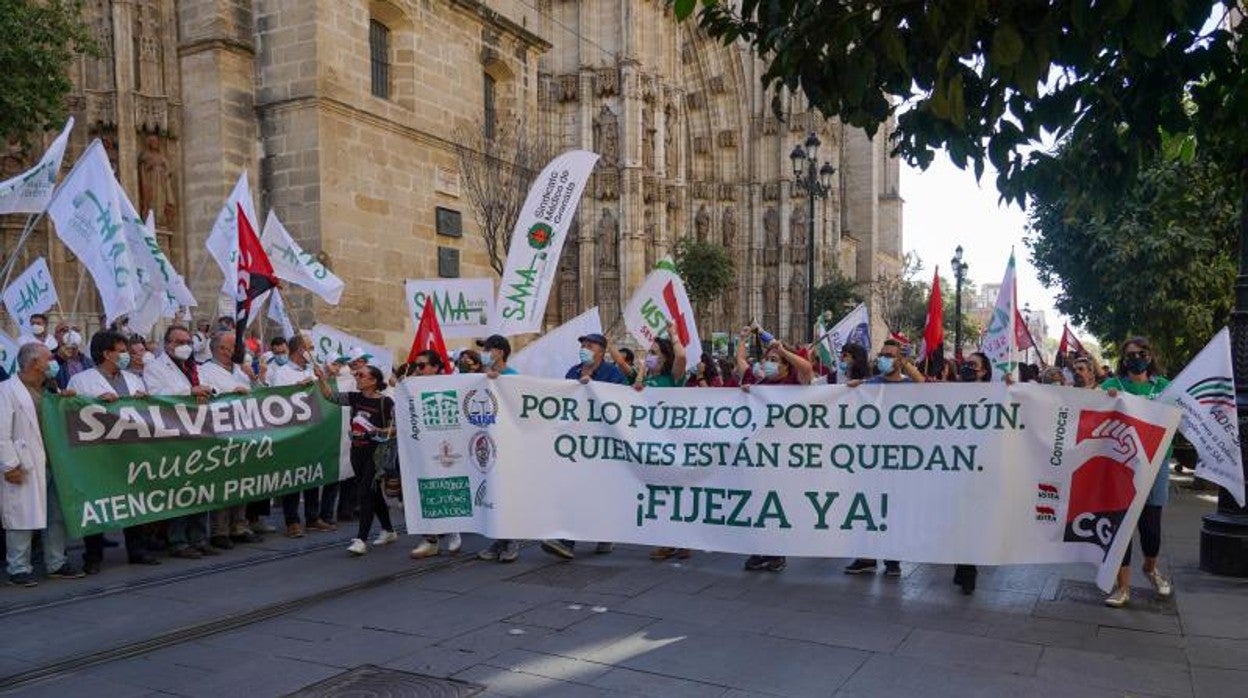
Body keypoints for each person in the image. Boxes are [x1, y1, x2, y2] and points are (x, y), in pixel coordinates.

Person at [69, 330, 156, 572]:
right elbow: (72, 413)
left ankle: (137, 549)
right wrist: (96, 403)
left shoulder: (133, 379)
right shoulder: (82, 381)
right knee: (98, 500)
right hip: (98, 453)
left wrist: (145, 400)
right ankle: (93, 555)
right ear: (107, 354)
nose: (126, 355)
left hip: (130, 449)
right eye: (121, 351)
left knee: (135, 498)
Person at [2, 342, 85, 586]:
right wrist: (9, 465)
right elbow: (1, 432)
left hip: (54, 463)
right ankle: (18, 567)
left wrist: (66, 400)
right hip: (24, 463)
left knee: (56, 516)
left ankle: (56, 562)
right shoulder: (7, 390)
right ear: (34, 363)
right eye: (48, 359)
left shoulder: (51, 388)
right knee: (20, 515)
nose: (52, 364)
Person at [541, 333, 629, 560]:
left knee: (600, 490)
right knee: (574, 487)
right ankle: (566, 541)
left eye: (589, 345)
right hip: (576, 442)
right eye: (582, 344)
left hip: (602, 441)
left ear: (601, 350)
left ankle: (604, 532)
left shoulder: (612, 374)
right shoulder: (573, 372)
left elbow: (620, 401)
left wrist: (594, 388)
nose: (584, 348)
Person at [843, 338, 926, 577]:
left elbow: (929, 389)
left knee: (894, 509)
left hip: (898, 459)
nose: (884, 358)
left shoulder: (911, 384)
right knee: (867, 507)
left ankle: (892, 560)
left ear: (901, 359)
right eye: (882, 354)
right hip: (871, 458)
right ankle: (867, 557)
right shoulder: (871, 383)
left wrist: (909, 365)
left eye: (890, 355)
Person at [1100, 337, 1173, 608]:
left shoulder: (1165, 387)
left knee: (1151, 527)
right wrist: (1103, 399)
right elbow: (1085, 404)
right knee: (1122, 526)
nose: (1136, 358)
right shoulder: (1112, 386)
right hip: (1122, 465)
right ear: (1123, 359)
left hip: (1156, 464)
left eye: (1141, 353)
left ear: (1150, 356)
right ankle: (1123, 587)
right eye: (1130, 354)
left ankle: (1151, 568)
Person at [737, 326, 814, 572]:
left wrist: (783, 350)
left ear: (785, 366)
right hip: (760, 457)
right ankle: (762, 549)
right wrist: (742, 339)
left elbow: (807, 369)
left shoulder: (794, 382)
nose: (768, 364)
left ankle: (776, 552)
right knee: (759, 502)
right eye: (766, 360)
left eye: (774, 361)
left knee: (777, 503)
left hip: (786, 456)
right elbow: (740, 361)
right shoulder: (758, 383)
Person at [143, 325, 218, 560]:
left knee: (202, 487)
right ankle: (178, 540)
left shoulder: (194, 366)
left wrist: (208, 390)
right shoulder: (154, 368)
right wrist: (190, 390)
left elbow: (208, 388)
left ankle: (199, 537)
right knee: (181, 488)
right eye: (179, 341)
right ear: (167, 344)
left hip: (199, 431)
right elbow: (157, 394)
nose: (185, 345)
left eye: (187, 341)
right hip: (174, 434)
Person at [315, 363, 399, 556]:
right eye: (357, 374)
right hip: (357, 451)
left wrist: (375, 431)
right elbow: (331, 396)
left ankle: (361, 539)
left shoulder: (386, 403)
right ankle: (388, 530)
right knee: (373, 492)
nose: (357, 377)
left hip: (376, 453)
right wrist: (321, 378)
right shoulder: (355, 397)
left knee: (365, 493)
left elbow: (396, 428)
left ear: (373, 381)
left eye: (361, 375)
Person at [636, 330, 694, 562]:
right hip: (650, 444)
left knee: (675, 492)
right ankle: (671, 540)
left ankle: (678, 541)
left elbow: (681, 358)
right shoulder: (647, 378)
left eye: (653, 353)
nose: (649, 356)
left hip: (672, 443)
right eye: (649, 352)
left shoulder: (673, 378)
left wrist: (674, 335)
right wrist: (640, 374)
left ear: (664, 357)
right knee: (660, 493)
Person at [273, 335, 338, 538]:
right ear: (300, 350)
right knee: (292, 476)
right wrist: (298, 387)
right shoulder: (282, 373)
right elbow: (275, 400)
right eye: (310, 347)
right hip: (291, 431)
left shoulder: (312, 370)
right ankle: (292, 520)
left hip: (313, 429)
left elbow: (327, 396)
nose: (313, 351)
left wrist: (322, 378)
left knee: (311, 473)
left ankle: (312, 517)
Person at [197, 331, 257, 549]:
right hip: (219, 436)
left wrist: (252, 377)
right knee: (222, 483)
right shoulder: (204, 371)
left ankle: (239, 525)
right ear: (223, 349)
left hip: (244, 434)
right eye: (235, 347)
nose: (240, 351)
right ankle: (219, 530)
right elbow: (206, 396)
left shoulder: (240, 371)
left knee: (242, 481)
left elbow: (262, 395)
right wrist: (231, 392)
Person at [407, 350, 465, 558]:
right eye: (416, 366)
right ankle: (430, 538)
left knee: (448, 486)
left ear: (435, 367)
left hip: (446, 444)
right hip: (421, 446)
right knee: (423, 489)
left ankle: (453, 529)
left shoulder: (452, 385)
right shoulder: (411, 386)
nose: (417, 370)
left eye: (421, 366)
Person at [476, 335, 523, 563]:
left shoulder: (512, 377)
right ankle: (499, 539)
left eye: (488, 349)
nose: (484, 352)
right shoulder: (481, 378)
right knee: (493, 492)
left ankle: (511, 539)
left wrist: (499, 382)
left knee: (507, 491)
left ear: (501, 352)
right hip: (487, 444)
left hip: (508, 444)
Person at [949, 351, 992, 593]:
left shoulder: (995, 394)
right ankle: (962, 566)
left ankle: (968, 569)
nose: (967, 368)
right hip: (953, 466)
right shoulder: (952, 391)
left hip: (980, 469)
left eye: (973, 366)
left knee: (969, 519)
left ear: (984, 372)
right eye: (965, 364)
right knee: (956, 519)